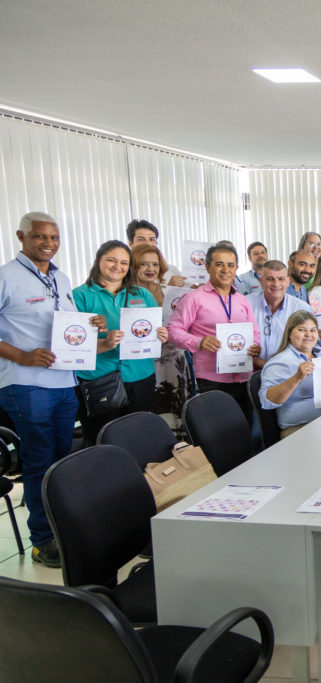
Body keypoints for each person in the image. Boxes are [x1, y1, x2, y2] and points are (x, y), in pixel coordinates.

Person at [0, 212, 107, 567]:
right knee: (38, 460)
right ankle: (42, 539)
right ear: (21, 237)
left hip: (64, 381)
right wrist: (21, 355)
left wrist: (93, 323)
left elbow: (68, 324)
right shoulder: (6, 277)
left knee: (62, 459)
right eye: (40, 237)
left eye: (54, 237)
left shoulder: (60, 277)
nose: (48, 243)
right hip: (26, 384)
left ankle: (63, 528)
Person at [72, 240, 168, 445]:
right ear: (99, 261)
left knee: (137, 437)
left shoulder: (142, 294)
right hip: (99, 380)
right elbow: (72, 346)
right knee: (103, 440)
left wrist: (161, 334)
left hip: (140, 376)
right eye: (112, 260)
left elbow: (156, 326)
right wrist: (104, 343)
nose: (118, 266)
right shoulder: (79, 296)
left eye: (124, 262)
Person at [167, 243, 261, 421]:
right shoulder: (193, 298)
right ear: (208, 267)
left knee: (243, 428)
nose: (225, 270)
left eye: (230, 265)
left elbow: (254, 333)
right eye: (219, 264)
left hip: (243, 375)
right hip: (212, 379)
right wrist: (199, 342)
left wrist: (255, 347)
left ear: (236, 269)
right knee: (219, 433)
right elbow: (173, 330)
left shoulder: (242, 300)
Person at [259, 311, 321, 438]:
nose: (309, 335)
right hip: (302, 427)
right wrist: (296, 378)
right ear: (290, 334)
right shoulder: (279, 362)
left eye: (313, 330)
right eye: (302, 330)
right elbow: (267, 401)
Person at [132, 243, 193, 428]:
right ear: (133, 265)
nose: (151, 269)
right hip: (145, 364)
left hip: (174, 358)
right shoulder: (126, 295)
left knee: (177, 409)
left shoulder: (170, 291)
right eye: (144, 264)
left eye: (155, 264)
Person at [246, 260, 314, 370]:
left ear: (288, 281)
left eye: (281, 279)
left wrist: (266, 365)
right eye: (270, 279)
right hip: (250, 373)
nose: (276, 284)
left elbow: (309, 348)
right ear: (261, 281)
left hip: (289, 373)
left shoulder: (302, 308)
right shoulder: (245, 304)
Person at [126, 219, 186, 287]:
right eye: (141, 239)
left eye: (151, 239)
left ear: (156, 243)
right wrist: (170, 287)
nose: (148, 243)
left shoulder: (171, 270)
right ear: (130, 243)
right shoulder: (124, 270)